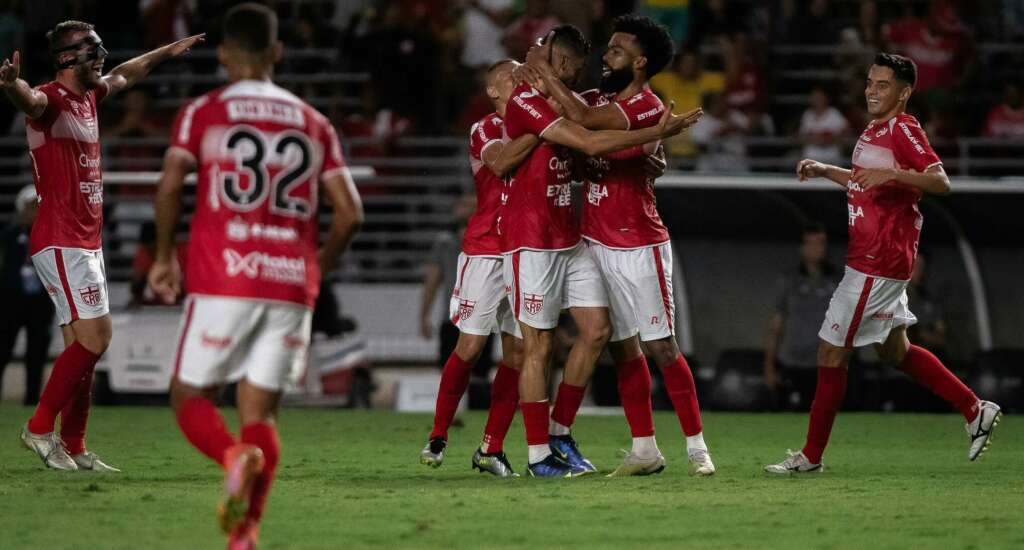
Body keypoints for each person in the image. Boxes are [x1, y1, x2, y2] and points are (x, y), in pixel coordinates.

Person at [147, 4, 362, 547]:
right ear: (277, 53)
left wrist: (164, 257)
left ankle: (229, 457)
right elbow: (351, 212)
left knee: (189, 394)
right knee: (260, 410)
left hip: (226, 275)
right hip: (292, 282)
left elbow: (171, 185)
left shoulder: (204, 111)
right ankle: (244, 537)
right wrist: (320, 264)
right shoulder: (314, 121)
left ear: (222, 54)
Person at [765, 53, 1001, 475]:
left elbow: (940, 181)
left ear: (904, 92)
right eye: (870, 83)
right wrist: (825, 170)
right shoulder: (874, 130)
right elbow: (866, 182)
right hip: (875, 262)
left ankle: (810, 458)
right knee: (896, 351)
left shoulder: (904, 129)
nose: (872, 91)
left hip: (876, 263)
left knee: (831, 351)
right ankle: (974, 408)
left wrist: (895, 176)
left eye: (883, 84)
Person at [1, 18, 203, 471]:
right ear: (68, 58)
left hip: (84, 240)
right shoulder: (49, 100)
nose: (102, 56)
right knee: (98, 338)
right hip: (60, 239)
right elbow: (27, 101)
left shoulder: (91, 96)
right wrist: (12, 86)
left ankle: (73, 446)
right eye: (92, 50)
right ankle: (37, 429)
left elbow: (129, 73)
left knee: (83, 351)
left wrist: (166, 52)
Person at [501, 24, 701, 477]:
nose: (581, 70)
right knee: (535, 346)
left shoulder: (585, 98)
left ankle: (560, 433)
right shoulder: (529, 100)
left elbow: (593, 139)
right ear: (555, 63)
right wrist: (656, 131)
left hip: (571, 237)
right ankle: (535, 456)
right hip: (529, 238)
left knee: (598, 332)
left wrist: (653, 145)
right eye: (569, 63)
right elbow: (590, 139)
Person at [420, 59, 540, 477]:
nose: (523, 77)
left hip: (527, 250)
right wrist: (545, 129)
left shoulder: (540, 121)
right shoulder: (485, 129)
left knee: (520, 352)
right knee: (470, 347)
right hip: (486, 249)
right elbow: (503, 162)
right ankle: (438, 435)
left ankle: (491, 448)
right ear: (493, 90)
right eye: (514, 75)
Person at [763, 223, 839, 410]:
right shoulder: (788, 280)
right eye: (810, 244)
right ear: (802, 248)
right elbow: (776, 325)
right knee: (792, 416)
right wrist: (769, 365)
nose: (815, 249)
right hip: (794, 363)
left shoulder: (839, 280)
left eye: (820, 243)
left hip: (827, 363)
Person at [0, 186, 54, 405]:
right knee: (3, 349)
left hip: (40, 303)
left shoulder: (51, 237)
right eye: (32, 207)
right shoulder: (9, 236)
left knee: (37, 353)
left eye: (39, 207)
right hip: (11, 301)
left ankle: (31, 400)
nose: (36, 212)